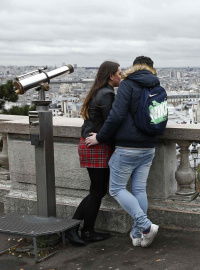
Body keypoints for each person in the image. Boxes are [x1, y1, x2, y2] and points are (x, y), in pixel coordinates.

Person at [85, 56, 162, 248]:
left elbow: (116, 115)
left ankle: (145, 226)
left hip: (128, 146)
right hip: (149, 146)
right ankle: (137, 235)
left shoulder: (128, 84)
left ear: (134, 67)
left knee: (116, 189)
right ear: (151, 69)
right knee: (138, 190)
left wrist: (100, 137)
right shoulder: (156, 86)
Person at [65, 60, 121, 246]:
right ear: (111, 75)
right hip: (96, 145)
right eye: (119, 74)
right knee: (97, 191)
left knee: (96, 191)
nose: (121, 77)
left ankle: (78, 229)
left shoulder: (98, 91)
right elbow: (111, 123)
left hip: (90, 144)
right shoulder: (107, 94)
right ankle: (83, 230)